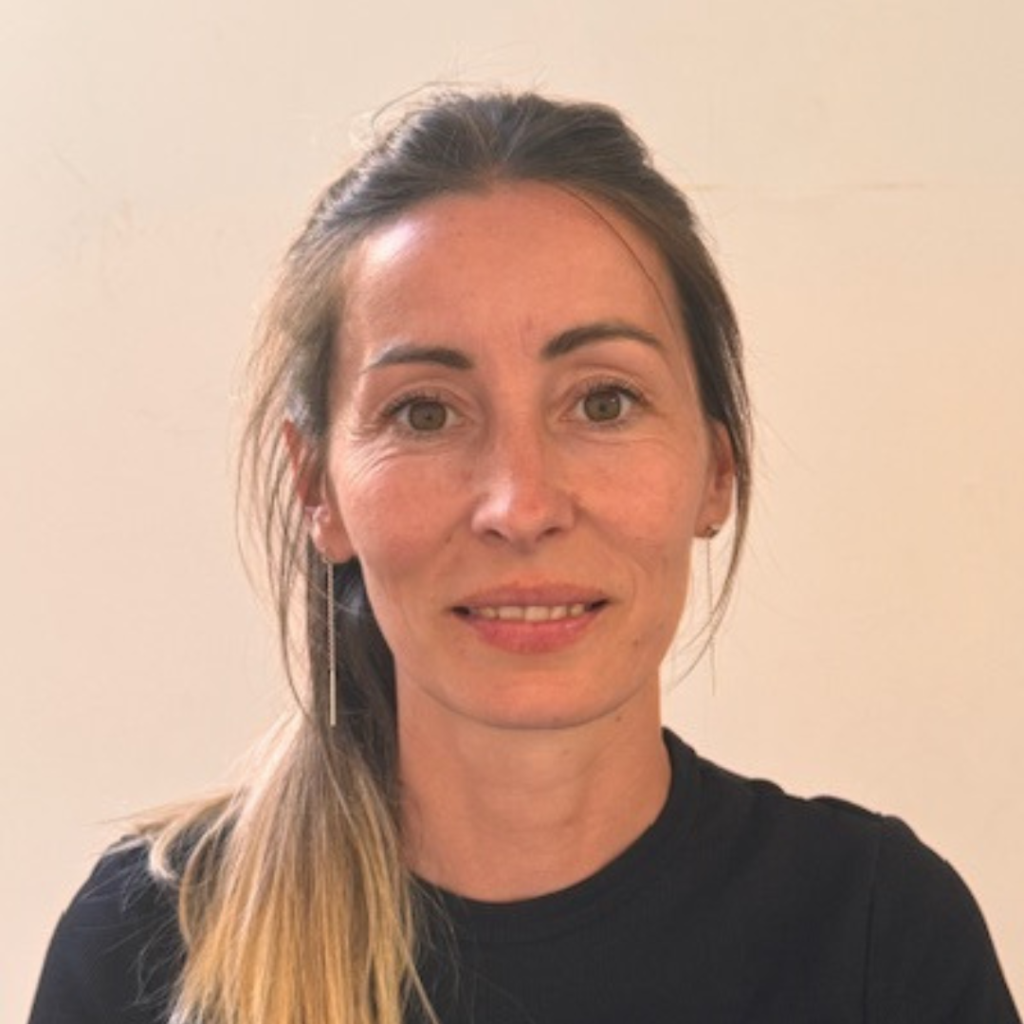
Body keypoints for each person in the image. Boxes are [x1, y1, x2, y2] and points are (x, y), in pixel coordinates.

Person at [29, 90, 1019, 1024]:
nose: (522, 505)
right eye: (425, 413)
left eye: (603, 402)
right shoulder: (147, 949)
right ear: (317, 487)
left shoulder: (877, 936)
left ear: (716, 468)